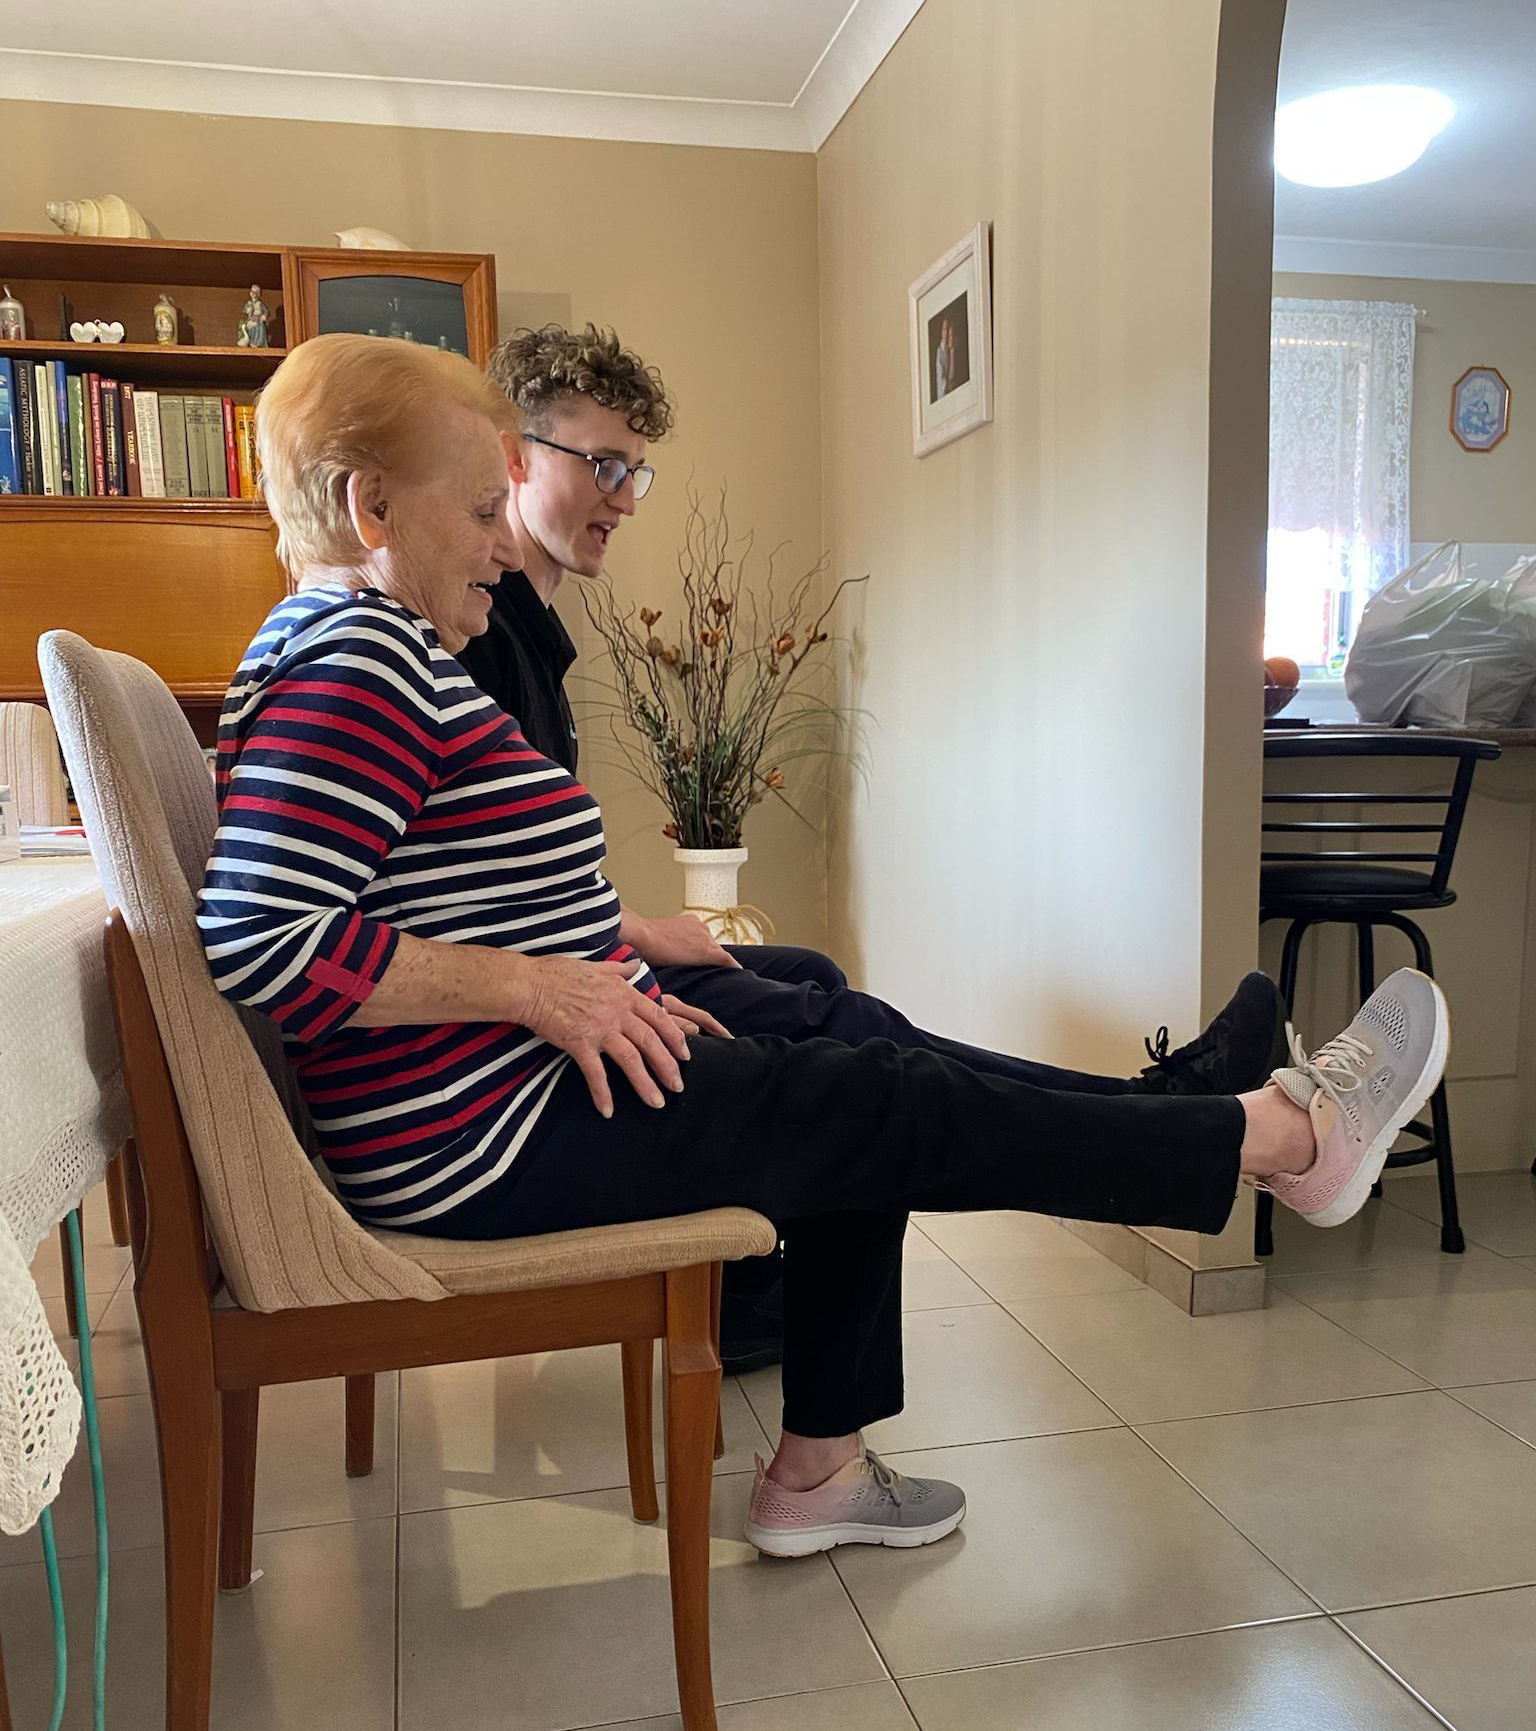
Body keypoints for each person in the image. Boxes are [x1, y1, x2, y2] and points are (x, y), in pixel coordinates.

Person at [199, 334, 1450, 1560]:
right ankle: (1277, 1139)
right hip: (481, 1132)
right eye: (477, 507)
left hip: (507, 1090)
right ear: (372, 507)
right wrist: (540, 988)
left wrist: (588, 958)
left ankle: (828, 1465)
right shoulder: (356, 657)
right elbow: (261, 941)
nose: (494, 536)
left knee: (860, 1059)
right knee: (870, 1103)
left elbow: (410, 887)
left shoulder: (371, 645)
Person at [454, 324, 1296, 1374]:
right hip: (529, 1053)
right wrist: (591, 969)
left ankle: (769, 1291)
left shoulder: (520, 628)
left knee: (821, 988)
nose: (626, 495)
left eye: (639, 471)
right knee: (865, 1073)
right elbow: (431, 909)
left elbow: (499, 878)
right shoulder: (471, 637)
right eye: (605, 465)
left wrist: (630, 928)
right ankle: (1175, 1121)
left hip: (577, 975)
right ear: (514, 454)